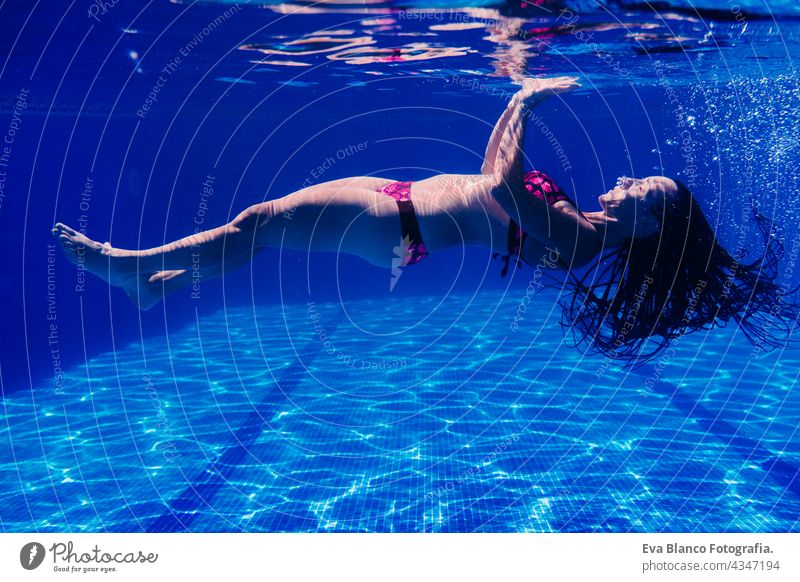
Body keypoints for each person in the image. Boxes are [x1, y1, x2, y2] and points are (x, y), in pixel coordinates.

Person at [53, 76, 797, 361]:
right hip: (402, 203)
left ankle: (129, 269)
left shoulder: (583, 236)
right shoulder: (584, 225)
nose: (630, 179)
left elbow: (504, 183)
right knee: (263, 225)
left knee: (258, 223)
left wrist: (523, 100)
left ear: (650, 228)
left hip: (395, 223)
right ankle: (149, 284)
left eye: (647, 192)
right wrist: (514, 108)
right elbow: (488, 177)